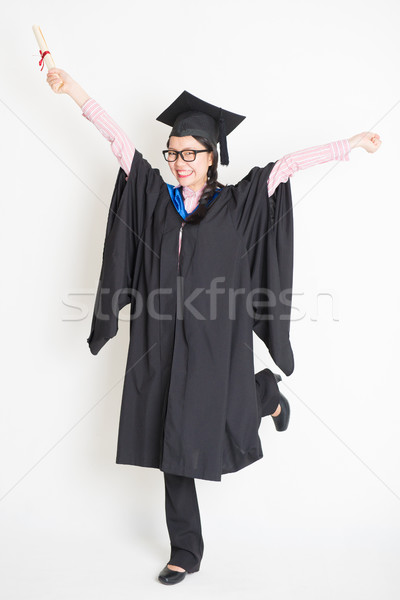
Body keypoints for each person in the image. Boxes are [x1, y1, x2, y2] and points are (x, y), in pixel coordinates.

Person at [46, 67, 382, 586]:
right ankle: (187, 550)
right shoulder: (157, 200)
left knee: (217, 412)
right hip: (161, 338)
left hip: (215, 333)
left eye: (191, 154)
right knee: (173, 438)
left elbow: (287, 166)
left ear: (213, 156)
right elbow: (120, 144)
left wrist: (351, 144)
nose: (180, 163)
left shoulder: (239, 203)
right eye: (173, 153)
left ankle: (263, 388)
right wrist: (75, 93)